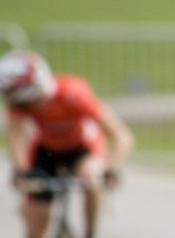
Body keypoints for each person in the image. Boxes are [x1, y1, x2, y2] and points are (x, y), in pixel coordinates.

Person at [0, 50, 134, 238]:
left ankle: (90, 233)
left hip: (82, 149)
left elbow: (120, 134)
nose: (7, 98)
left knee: (92, 179)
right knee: (35, 212)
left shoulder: (72, 92)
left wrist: (111, 169)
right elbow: (15, 137)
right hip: (46, 150)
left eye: (9, 92)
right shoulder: (19, 105)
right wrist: (20, 170)